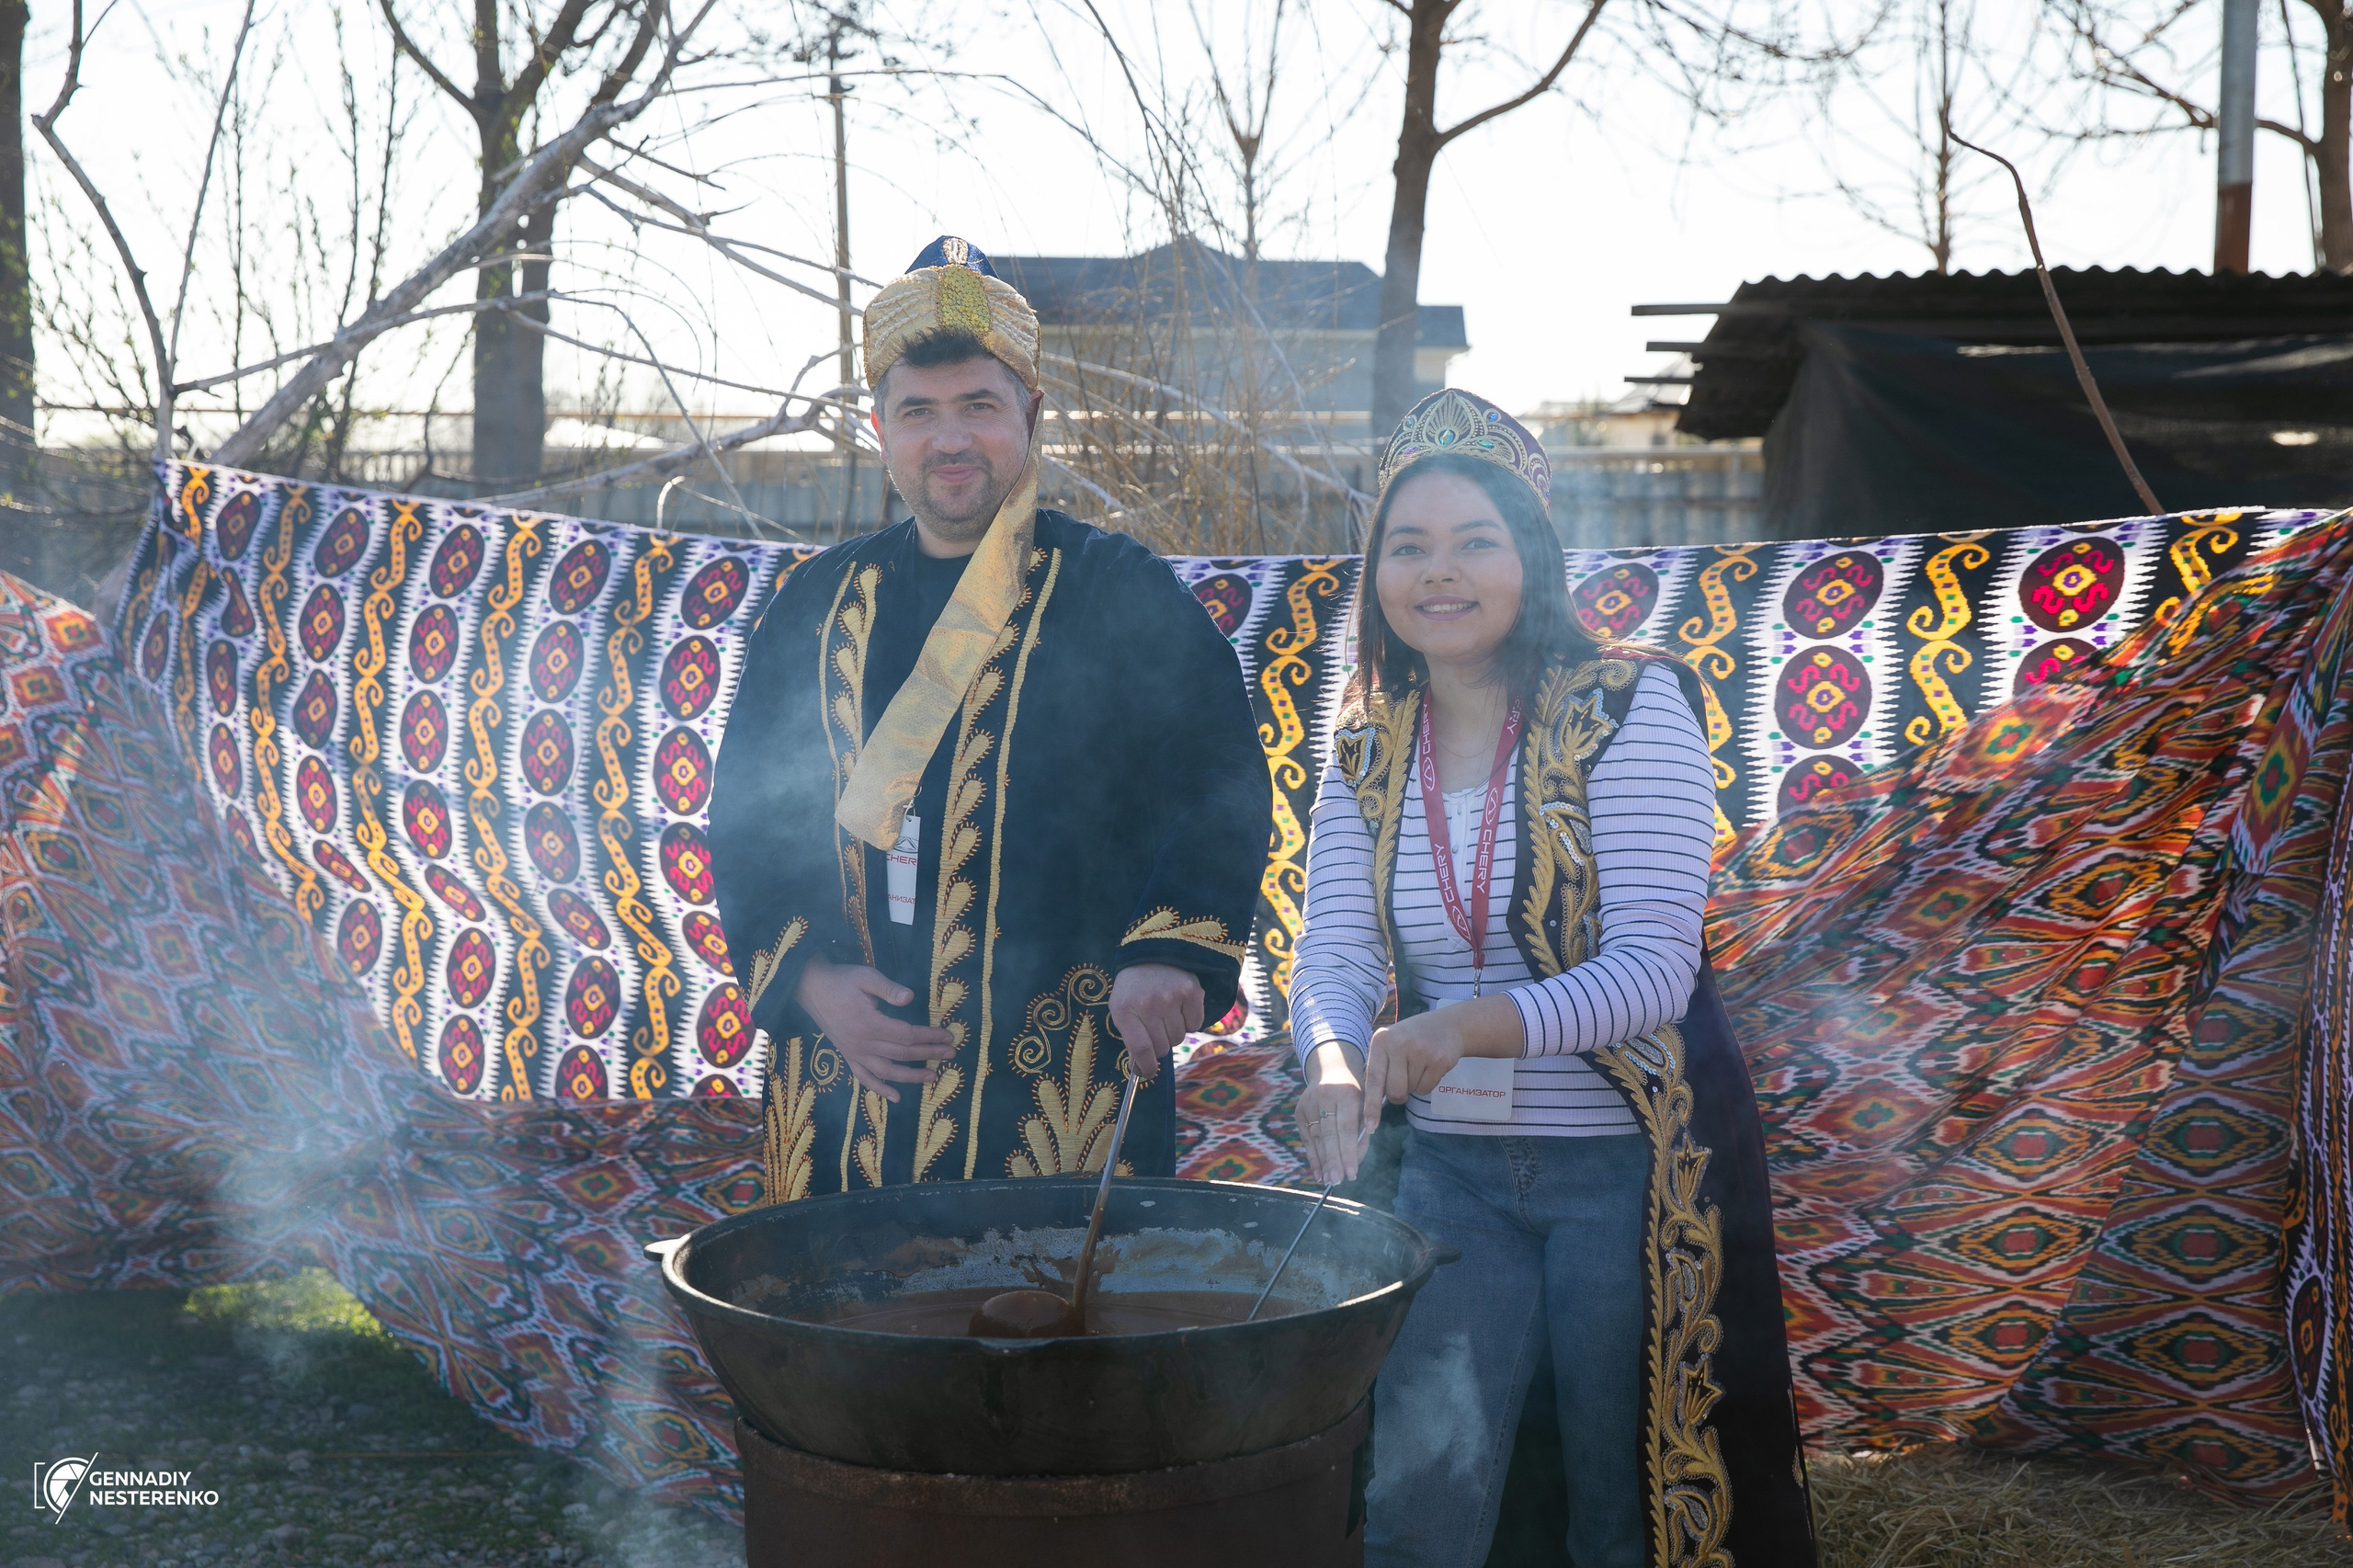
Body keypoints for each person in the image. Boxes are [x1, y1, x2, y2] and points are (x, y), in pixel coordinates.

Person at [1289, 389, 1815, 1567]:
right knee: (1420, 1499)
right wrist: (1329, 1058)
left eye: (1474, 540)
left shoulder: (1628, 701)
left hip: (1627, 1171)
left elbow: (1653, 968)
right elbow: (1333, 951)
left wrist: (1463, 1026)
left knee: (1622, 1503)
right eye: (1408, 544)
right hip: (1449, 1172)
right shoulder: (1368, 741)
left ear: (1530, 555)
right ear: (1376, 573)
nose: (1439, 570)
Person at [710, 236, 1267, 1200]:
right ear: (879, 427)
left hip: (1061, 1084)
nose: (950, 439)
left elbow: (1219, 782)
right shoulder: (812, 607)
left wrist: (1172, 952)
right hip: (846, 1089)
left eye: (978, 405)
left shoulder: (1121, 592)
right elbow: (747, 814)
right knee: (834, 1298)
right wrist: (809, 981)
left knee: (1055, 1300)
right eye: (918, 412)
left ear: (1032, 415)